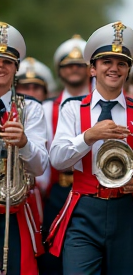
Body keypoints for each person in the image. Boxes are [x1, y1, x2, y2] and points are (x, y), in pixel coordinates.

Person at [46, 21, 133, 275]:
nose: (114, 69)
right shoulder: (72, 109)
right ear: (92, 69)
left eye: (121, 64)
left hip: (127, 210)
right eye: (106, 63)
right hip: (83, 210)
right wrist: (89, 136)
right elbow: (57, 159)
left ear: (128, 71)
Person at [39, 34, 92, 275]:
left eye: (79, 64)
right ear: (59, 71)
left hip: (94, 189)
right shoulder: (45, 107)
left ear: (90, 69)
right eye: (68, 65)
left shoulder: (103, 104)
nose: (73, 69)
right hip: (58, 191)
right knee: (52, 258)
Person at [0, 22, 48, 274]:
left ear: (16, 68)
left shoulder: (32, 108)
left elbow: (40, 167)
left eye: (7, 61)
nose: (1, 65)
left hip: (13, 210)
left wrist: (24, 143)